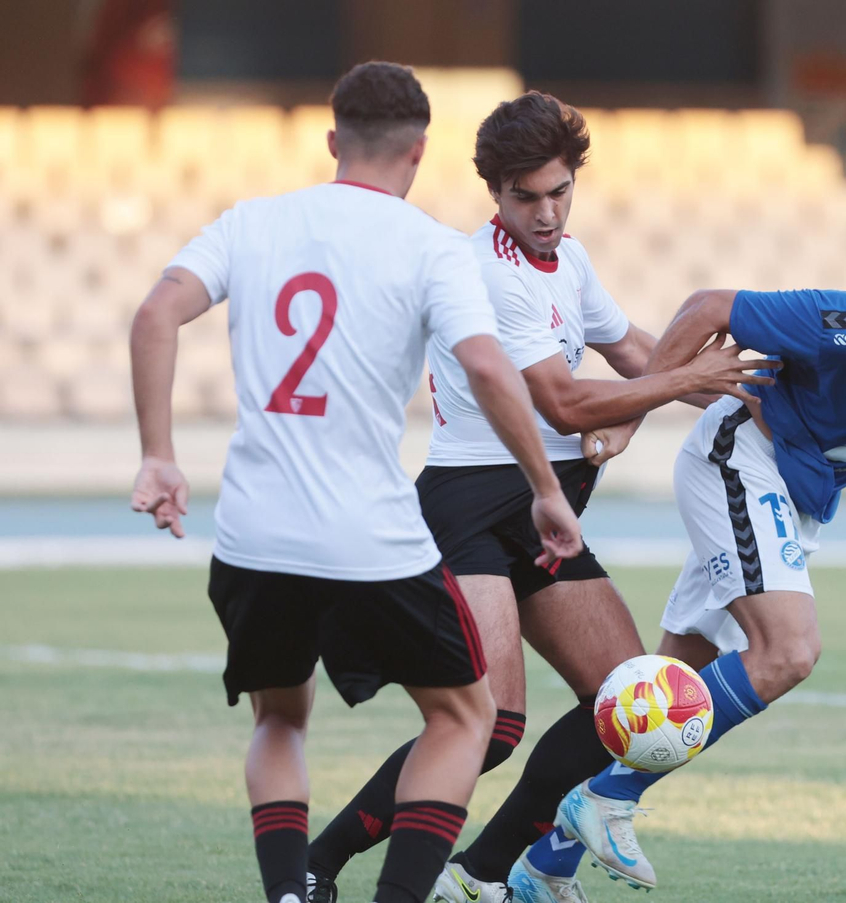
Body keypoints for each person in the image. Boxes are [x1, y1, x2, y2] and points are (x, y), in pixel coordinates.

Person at [127, 62, 583, 903]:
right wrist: (545, 488)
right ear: (419, 151)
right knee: (465, 716)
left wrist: (158, 454)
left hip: (255, 533)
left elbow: (155, 312)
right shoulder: (432, 246)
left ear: (334, 138)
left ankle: (288, 892)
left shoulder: (252, 222)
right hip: (371, 537)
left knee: (279, 718)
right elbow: (489, 367)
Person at [301, 90, 768, 903]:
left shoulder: (569, 260)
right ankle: (319, 863)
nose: (547, 213)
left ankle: (482, 872)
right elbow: (566, 403)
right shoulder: (488, 272)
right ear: (495, 192)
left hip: (542, 516)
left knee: (624, 706)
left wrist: (752, 396)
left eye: (560, 191)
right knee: (489, 726)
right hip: (469, 514)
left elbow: (637, 354)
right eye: (527, 197)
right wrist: (689, 377)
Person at [502, 217, 846, 894]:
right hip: (742, 459)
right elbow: (708, 307)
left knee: (670, 687)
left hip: (796, 495)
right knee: (788, 650)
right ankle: (609, 797)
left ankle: (543, 868)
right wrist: (629, 418)